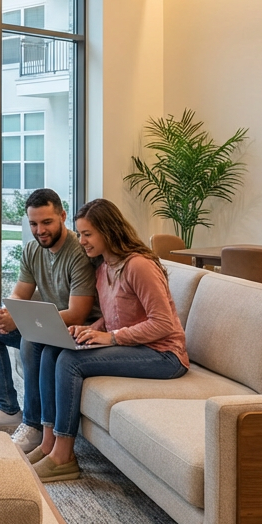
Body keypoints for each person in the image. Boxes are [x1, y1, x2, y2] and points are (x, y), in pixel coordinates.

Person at [29, 199, 189, 482]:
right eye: (80, 234)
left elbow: (163, 323)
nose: (82, 241)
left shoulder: (139, 266)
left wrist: (111, 336)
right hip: (134, 346)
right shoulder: (104, 268)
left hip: (164, 355)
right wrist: (88, 329)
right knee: (53, 348)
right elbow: (115, 315)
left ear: (109, 231)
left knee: (69, 362)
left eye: (88, 234)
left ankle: (63, 457)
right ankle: (47, 442)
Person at [0, 188, 99, 454]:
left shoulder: (78, 253)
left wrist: (22, 322)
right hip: (46, 325)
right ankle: (7, 409)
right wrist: (6, 314)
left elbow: (77, 313)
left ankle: (33, 426)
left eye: (47, 222)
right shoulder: (32, 249)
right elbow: (20, 294)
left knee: (30, 338)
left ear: (62, 216)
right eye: (34, 223)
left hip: (76, 331)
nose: (40, 230)